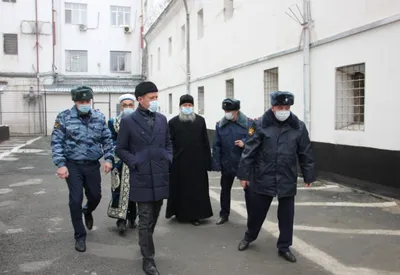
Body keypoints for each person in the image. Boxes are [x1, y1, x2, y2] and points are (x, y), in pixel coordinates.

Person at [236, 91, 316, 263]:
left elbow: (305, 152)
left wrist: (308, 174)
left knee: (287, 216)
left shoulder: (298, 127)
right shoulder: (260, 125)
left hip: (286, 176)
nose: (284, 110)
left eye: (287, 107)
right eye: (280, 107)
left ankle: (284, 247)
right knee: (257, 213)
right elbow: (249, 150)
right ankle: (249, 237)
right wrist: (243, 174)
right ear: (272, 107)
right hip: (263, 175)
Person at [115, 81, 172, 275]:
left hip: (160, 174)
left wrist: (168, 159)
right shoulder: (129, 121)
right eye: (151, 98)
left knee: (154, 217)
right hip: (141, 176)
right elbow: (120, 148)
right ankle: (148, 259)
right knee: (145, 219)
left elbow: (168, 143)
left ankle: (145, 242)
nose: (155, 101)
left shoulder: (162, 119)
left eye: (157, 97)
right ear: (140, 99)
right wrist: (135, 162)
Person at [51, 85, 114, 252]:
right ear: (75, 101)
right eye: (81, 101)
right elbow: (57, 142)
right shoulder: (64, 117)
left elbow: (107, 140)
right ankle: (80, 236)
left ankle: (88, 211)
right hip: (73, 165)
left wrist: (108, 159)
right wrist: (61, 164)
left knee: (95, 196)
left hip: (92, 164)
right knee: (75, 199)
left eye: (87, 100)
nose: (85, 103)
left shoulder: (99, 117)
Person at [165, 94, 213, 226]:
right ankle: (179, 212)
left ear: (193, 106)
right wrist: (170, 161)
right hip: (179, 162)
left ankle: (195, 215)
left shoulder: (200, 121)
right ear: (180, 107)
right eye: (185, 105)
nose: (187, 107)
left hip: (197, 163)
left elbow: (205, 142)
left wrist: (208, 162)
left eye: (189, 105)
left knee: (196, 189)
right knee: (180, 189)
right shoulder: (173, 122)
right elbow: (169, 143)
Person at [212, 98, 252, 225]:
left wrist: (244, 143)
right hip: (227, 163)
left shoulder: (249, 124)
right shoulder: (220, 125)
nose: (227, 113)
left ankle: (252, 217)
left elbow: (255, 140)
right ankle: (224, 214)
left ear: (237, 111)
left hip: (243, 164)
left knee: (249, 192)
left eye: (230, 111)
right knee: (225, 190)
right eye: (225, 110)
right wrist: (217, 164)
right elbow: (216, 145)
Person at [107, 94, 138, 233]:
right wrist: (118, 152)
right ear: (120, 107)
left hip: (136, 161)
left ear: (134, 106)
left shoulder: (140, 121)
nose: (127, 108)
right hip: (119, 161)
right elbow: (110, 140)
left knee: (135, 190)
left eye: (130, 105)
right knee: (118, 189)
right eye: (124, 105)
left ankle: (132, 217)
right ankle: (121, 219)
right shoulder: (113, 122)